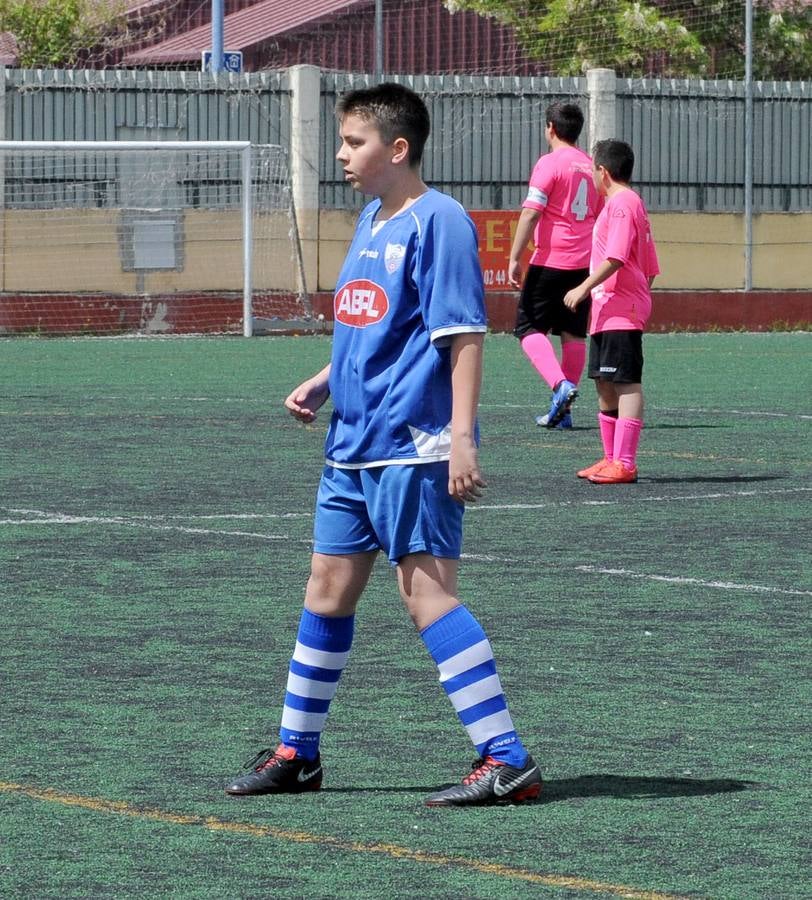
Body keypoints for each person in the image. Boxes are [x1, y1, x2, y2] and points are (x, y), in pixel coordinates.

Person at [224, 83, 540, 807]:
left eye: (353, 142)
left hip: (414, 447)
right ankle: (296, 754)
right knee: (326, 591)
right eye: (341, 140)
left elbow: (461, 338)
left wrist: (461, 440)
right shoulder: (372, 217)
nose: (341, 154)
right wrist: (325, 380)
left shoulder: (443, 223)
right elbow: (375, 326)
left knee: (426, 596)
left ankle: (507, 759)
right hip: (352, 446)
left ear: (397, 149)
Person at [562, 139, 660, 484]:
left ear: (602, 171)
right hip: (608, 308)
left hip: (620, 308)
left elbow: (617, 257)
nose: (591, 174)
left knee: (626, 382)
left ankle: (626, 462)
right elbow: (648, 266)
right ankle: (610, 457)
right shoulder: (624, 204)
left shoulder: (622, 204)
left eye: (592, 169)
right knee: (604, 381)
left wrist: (583, 287)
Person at [507, 101, 602, 430]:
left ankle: (560, 387)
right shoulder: (592, 167)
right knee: (573, 333)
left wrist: (515, 256)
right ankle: (564, 412)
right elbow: (598, 214)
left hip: (551, 261)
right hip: (583, 263)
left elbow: (532, 211)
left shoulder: (549, 163)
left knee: (527, 328)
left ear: (550, 128)